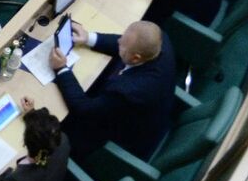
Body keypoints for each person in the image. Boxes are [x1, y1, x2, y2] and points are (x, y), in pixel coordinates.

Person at [49, 20, 177, 161]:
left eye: (122, 45)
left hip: (127, 135)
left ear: (136, 58)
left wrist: (61, 69)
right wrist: (88, 38)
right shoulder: (159, 41)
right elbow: (128, 45)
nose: (119, 41)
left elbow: (84, 108)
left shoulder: (128, 92)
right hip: (151, 110)